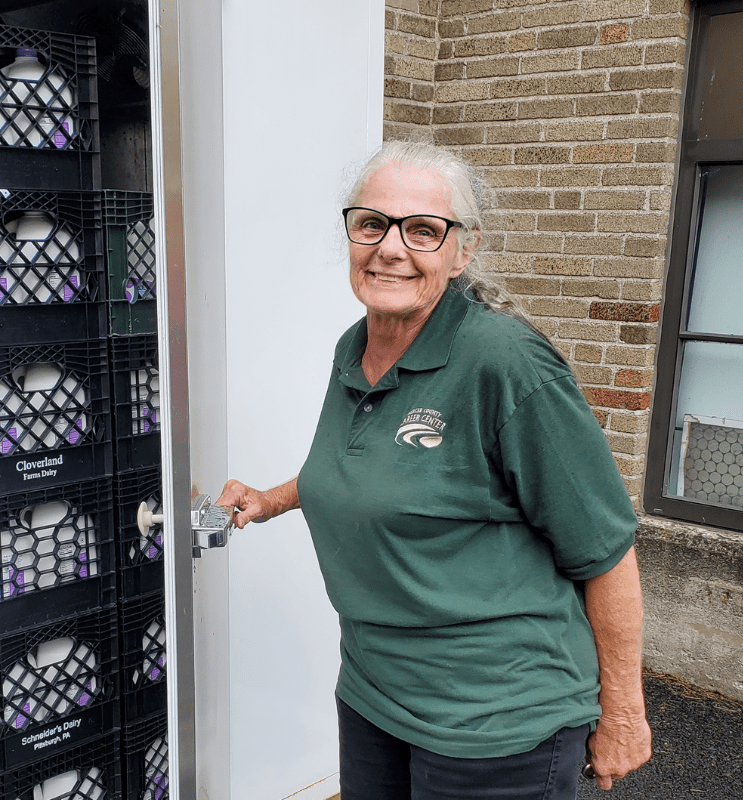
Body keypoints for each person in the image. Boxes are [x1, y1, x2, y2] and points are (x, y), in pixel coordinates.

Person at [216, 140, 651, 798]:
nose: (391, 248)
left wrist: (623, 716)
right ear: (351, 234)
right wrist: (270, 498)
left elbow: (605, 548)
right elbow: (362, 469)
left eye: (423, 230)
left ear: (463, 251)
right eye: (372, 224)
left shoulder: (505, 364)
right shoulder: (355, 346)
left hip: (493, 716)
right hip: (375, 692)